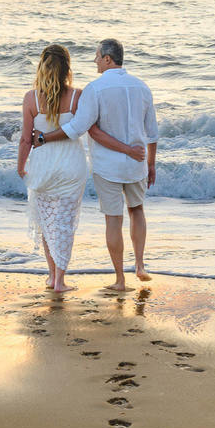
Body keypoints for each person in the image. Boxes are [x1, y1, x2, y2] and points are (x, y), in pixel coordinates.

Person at [33, 38, 157, 292]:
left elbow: (78, 128)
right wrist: (151, 165)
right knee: (137, 210)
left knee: (114, 219)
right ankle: (141, 265)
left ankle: (120, 280)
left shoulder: (95, 89)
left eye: (98, 56)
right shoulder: (142, 87)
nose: (95, 61)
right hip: (138, 164)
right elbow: (152, 134)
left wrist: (45, 137)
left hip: (107, 166)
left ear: (108, 59)